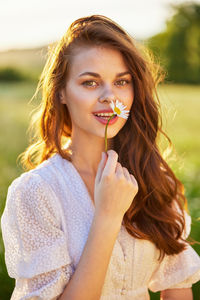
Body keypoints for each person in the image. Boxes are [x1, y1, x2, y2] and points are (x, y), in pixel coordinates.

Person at [1, 15, 200, 300]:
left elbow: (178, 288)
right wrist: (107, 216)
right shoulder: (35, 192)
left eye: (122, 81)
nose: (110, 97)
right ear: (61, 93)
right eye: (90, 83)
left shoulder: (155, 178)